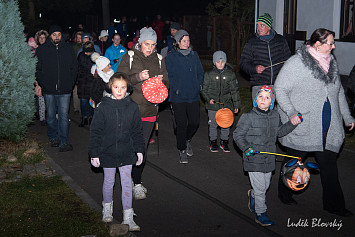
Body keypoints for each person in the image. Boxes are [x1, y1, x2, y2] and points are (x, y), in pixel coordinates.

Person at [274, 28, 355, 217]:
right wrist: (292, 112)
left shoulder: (331, 62)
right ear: (318, 44)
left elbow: (339, 93)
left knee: (329, 166)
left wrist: (347, 116)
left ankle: (334, 205)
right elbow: (280, 88)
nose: (334, 46)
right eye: (330, 43)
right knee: (293, 161)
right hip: (304, 124)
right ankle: (284, 193)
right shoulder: (297, 63)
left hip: (328, 125)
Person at [233, 85, 299, 227]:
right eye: (260, 97)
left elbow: (280, 132)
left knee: (265, 185)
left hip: (269, 159)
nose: (263, 99)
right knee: (261, 188)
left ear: (272, 102)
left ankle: (253, 195)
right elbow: (238, 135)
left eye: (267, 97)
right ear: (256, 100)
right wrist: (246, 148)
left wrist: (292, 124)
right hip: (253, 158)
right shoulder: (248, 117)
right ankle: (261, 213)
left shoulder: (275, 116)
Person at [88, 72, 144, 231]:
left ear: (128, 88)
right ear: (110, 87)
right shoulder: (103, 107)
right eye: (116, 87)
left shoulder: (132, 107)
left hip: (127, 152)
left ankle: (128, 215)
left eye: (123, 88)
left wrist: (139, 150)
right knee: (109, 181)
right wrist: (94, 152)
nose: (119, 91)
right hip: (108, 152)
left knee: (127, 183)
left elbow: (137, 131)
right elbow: (96, 132)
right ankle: (107, 207)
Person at [118, 27, 168, 200]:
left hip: (149, 111)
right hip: (131, 109)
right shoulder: (130, 57)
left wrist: (161, 84)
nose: (150, 48)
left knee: (141, 148)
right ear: (140, 42)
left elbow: (167, 83)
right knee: (130, 146)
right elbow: (119, 79)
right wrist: (137, 77)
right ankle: (127, 179)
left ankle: (137, 182)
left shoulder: (160, 59)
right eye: (147, 44)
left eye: (153, 45)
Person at [35, 25, 77, 152]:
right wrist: (43, 84)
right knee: (51, 115)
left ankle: (64, 141)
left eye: (59, 34)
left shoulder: (68, 49)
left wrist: (70, 83)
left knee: (63, 115)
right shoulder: (42, 50)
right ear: (50, 36)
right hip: (49, 89)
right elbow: (38, 69)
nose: (57, 37)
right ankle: (54, 137)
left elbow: (74, 67)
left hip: (65, 89)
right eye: (54, 34)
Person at [165, 29, 204, 164]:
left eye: (188, 40)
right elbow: (168, 76)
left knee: (194, 123)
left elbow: (200, 72)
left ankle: (187, 139)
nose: (187, 43)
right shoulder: (171, 57)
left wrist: (199, 85)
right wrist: (174, 89)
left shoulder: (194, 55)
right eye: (184, 41)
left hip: (193, 95)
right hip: (178, 97)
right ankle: (182, 149)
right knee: (181, 124)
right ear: (178, 42)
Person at [240, 13, 291, 96]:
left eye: (262, 25)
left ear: (268, 27)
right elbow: (243, 63)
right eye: (257, 25)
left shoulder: (280, 40)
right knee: (260, 109)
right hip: (259, 84)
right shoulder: (252, 43)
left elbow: (288, 60)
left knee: (278, 109)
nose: (258, 28)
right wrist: (255, 68)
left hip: (278, 84)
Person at [201, 51, 241, 152]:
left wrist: (236, 104)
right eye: (218, 61)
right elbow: (204, 90)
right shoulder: (209, 74)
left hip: (226, 104)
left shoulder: (230, 74)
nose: (220, 63)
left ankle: (224, 142)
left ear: (225, 62)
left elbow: (234, 90)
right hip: (213, 105)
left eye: (222, 61)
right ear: (214, 62)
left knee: (225, 124)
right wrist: (208, 99)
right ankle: (213, 142)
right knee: (213, 124)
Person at [77, 42, 95, 127]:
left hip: (91, 82)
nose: (86, 53)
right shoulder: (81, 55)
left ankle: (91, 117)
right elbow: (78, 68)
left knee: (91, 101)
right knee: (83, 101)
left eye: (88, 52)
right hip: (82, 81)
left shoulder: (95, 57)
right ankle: (84, 117)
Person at [34, 30, 49, 126]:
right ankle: (42, 117)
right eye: (40, 38)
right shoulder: (36, 51)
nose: (42, 39)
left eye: (44, 38)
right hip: (40, 77)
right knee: (41, 98)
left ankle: (51, 116)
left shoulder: (49, 49)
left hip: (49, 77)